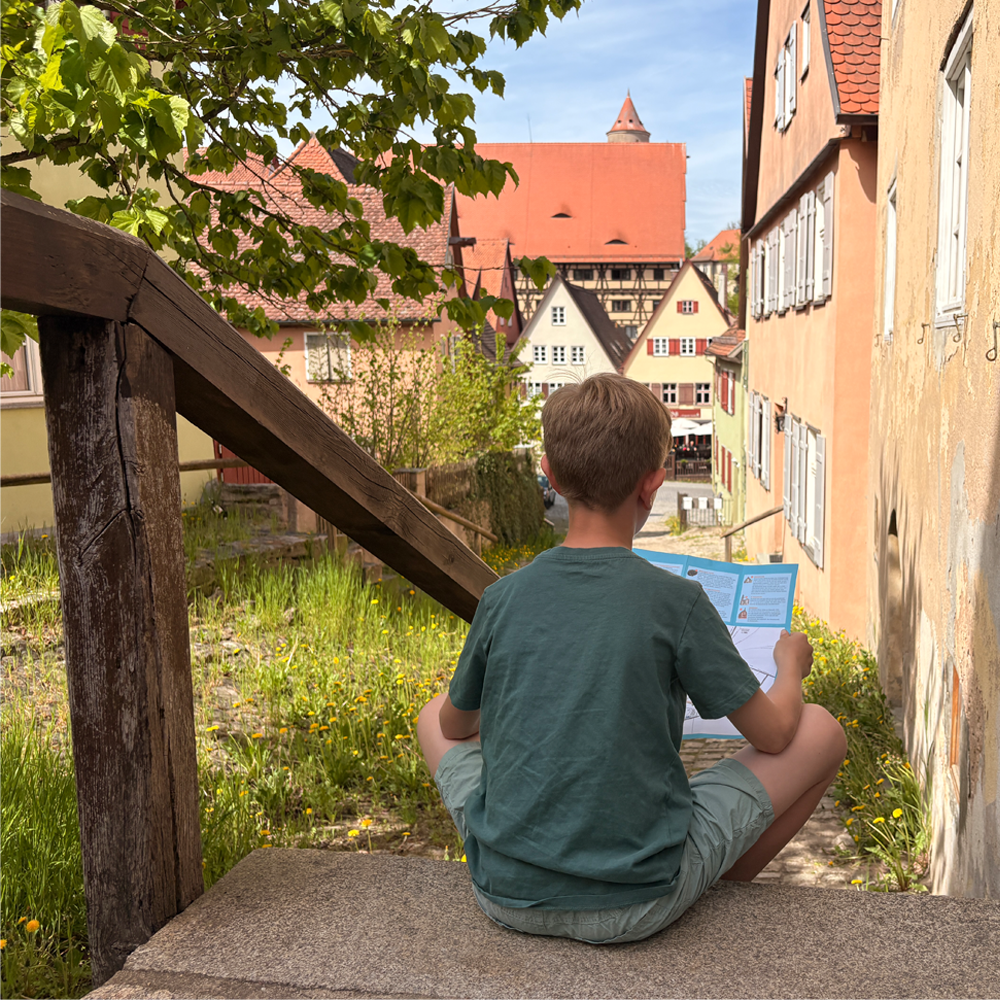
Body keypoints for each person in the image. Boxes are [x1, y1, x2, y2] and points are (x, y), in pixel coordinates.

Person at [417, 373, 846, 944]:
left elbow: (453, 726)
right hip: (637, 902)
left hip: (503, 892)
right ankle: (713, 878)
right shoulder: (676, 602)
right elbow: (773, 735)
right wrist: (790, 664)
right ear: (652, 485)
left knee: (430, 714)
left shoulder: (502, 596)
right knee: (820, 729)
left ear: (549, 471)